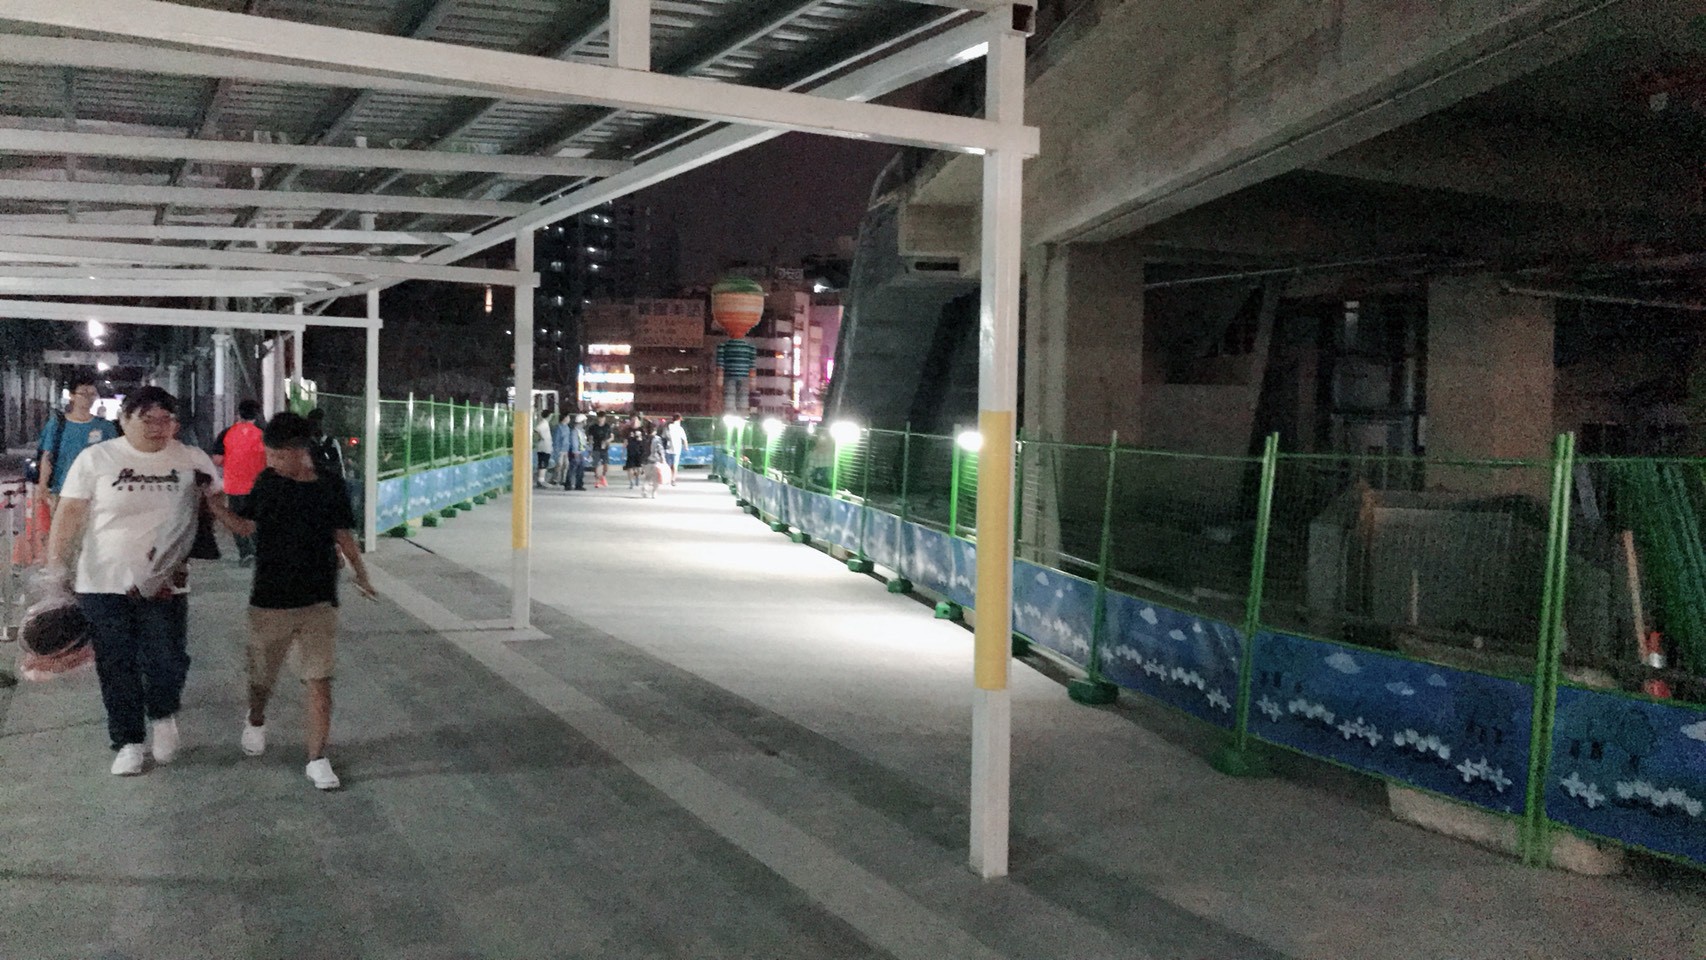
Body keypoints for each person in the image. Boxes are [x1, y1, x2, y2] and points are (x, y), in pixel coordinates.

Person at [42, 387, 223, 776]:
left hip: (164, 583)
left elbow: (214, 503)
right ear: (124, 420)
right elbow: (69, 515)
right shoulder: (97, 459)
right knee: (116, 662)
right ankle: (128, 741)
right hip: (102, 580)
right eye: (148, 419)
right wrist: (56, 571)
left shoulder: (190, 458)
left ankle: (163, 715)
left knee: (167, 657)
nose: (159, 427)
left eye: (166, 419)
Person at [204, 412, 374, 792]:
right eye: (269, 454)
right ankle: (256, 717)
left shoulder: (330, 485)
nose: (272, 462)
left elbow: (342, 534)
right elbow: (246, 526)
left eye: (279, 455)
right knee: (262, 677)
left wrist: (361, 574)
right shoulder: (268, 483)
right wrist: (216, 508)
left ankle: (317, 758)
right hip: (270, 599)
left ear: (300, 451)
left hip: (319, 599)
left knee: (319, 679)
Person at [34, 373, 119, 509]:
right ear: (72, 396)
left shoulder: (105, 427)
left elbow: (114, 457)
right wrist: (42, 485)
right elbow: (47, 457)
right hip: (62, 490)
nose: (88, 398)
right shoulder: (57, 425)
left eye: (92, 394)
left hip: (96, 492)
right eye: (83, 394)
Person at [213, 400, 266, 566]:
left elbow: (217, 459)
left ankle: (246, 552)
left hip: (234, 485)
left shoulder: (226, 433)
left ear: (238, 414)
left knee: (236, 519)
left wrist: (232, 460)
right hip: (257, 486)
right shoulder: (263, 434)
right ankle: (259, 551)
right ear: (256, 416)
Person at [304, 408, 345, 482]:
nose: (318, 426)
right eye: (314, 423)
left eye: (320, 422)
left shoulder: (332, 443)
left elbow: (339, 467)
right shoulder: (305, 444)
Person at [641, 423, 669, 499]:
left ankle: (644, 490)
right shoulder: (657, 439)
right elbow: (660, 449)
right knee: (656, 478)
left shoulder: (644, 438)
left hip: (646, 461)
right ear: (655, 430)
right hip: (655, 461)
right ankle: (654, 492)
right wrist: (663, 458)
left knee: (647, 477)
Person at [587, 412, 613, 489]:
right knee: (596, 465)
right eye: (600, 418)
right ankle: (597, 481)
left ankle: (603, 477)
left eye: (603, 418)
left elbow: (612, 437)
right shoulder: (593, 427)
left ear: (605, 418)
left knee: (606, 465)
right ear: (597, 418)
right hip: (596, 448)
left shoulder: (607, 427)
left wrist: (608, 441)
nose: (601, 419)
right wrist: (590, 448)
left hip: (605, 448)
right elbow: (590, 438)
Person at [561, 413, 587, 491]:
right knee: (573, 469)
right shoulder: (575, 431)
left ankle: (578, 484)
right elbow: (574, 442)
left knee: (580, 470)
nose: (585, 422)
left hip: (581, 452)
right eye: (585, 421)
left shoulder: (581, 431)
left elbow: (583, 442)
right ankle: (569, 484)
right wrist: (575, 451)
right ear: (582, 422)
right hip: (576, 453)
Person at [624, 420, 648, 490]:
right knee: (629, 467)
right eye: (633, 420)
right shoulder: (628, 430)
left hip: (639, 451)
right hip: (630, 451)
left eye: (636, 421)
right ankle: (631, 483)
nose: (634, 422)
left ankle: (637, 476)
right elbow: (625, 440)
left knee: (639, 468)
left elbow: (645, 440)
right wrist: (623, 450)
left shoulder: (642, 430)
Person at [533, 411, 554, 488]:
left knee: (544, 463)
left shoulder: (545, 423)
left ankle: (541, 480)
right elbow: (536, 430)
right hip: (544, 447)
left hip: (545, 446)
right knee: (543, 463)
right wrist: (541, 437)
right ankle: (541, 480)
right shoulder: (543, 424)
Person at [666, 414, 688, 485]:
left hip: (668, 448)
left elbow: (664, 436)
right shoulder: (680, 428)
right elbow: (684, 439)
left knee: (668, 465)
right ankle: (673, 480)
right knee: (675, 465)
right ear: (678, 420)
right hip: (676, 449)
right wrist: (686, 447)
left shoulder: (669, 426)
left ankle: (668, 479)